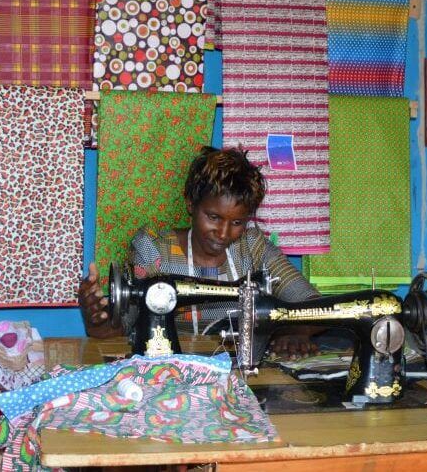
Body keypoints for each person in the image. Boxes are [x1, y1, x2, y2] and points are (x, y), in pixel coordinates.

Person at [78, 146, 320, 358]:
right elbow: (118, 329)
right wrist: (95, 319)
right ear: (191, 204)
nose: (223, 233)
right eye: (213, 217)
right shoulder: (153, 251)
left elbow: (315, 305)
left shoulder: (252, 248)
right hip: (168, 376)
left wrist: (297, 331)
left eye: (237, 223)